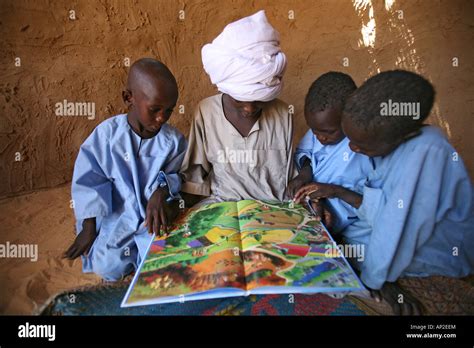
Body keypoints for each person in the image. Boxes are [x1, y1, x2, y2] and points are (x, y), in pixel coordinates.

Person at [296, 70, 473, 314]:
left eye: (361, 145)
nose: (352, 148)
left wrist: (375, 282)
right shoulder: (388, 142)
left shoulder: (426, 153)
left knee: (337, 259)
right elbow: (379, 203)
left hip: (434, 248)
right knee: (335, 246)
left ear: (403, 136)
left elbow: (395, 228)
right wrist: (335, 192)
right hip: (390, 227)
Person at [64, 58, 187, 281]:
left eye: (168, 111)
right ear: (128, 98)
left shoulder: (174, 141)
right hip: (118, 215)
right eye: (154, 109)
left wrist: (161, 191)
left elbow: (178, 176)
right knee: (106, 267)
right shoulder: (106, 136)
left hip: (155, 218)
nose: (161, 118)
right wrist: (88, 228)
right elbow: (90, 181)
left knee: (167, 259)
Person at [180, 10, 295, 206]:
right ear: (225, 89)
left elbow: (290, 178)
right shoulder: (206, 112)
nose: (249, 109)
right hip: (221, 207)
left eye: (259, 100)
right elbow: (195, 178)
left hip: (274, 211)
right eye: (239, 99)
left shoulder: (284, 114)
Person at [288, 72, 371, 233]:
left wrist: (334, 191)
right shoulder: (320, 128)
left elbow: (378, 206)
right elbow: (305, 152)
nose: (320, 138)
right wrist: (306, 173)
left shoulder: (364, 146)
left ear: (349, 117)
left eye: (328, 132)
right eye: (314, 131)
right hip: (319, 219)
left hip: (357, 233)